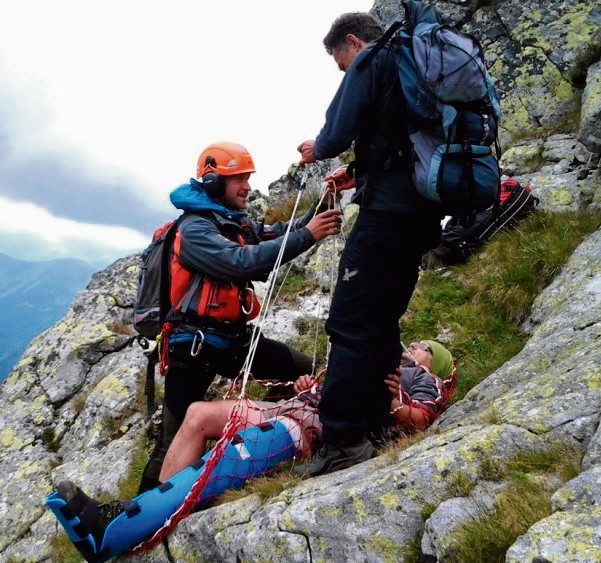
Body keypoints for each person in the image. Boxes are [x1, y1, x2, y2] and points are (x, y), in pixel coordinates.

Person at [48, 341, 454, 563]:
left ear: (431, 362)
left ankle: (116, 529)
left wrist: (396, 406)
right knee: (199, 414)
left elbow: (422, 417)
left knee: (227, 459)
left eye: (423, 348)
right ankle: (147, 508)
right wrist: (304, 387)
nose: (414, 346)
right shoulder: (370, 356)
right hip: (294, 408)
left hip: (308, 427)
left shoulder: (421, 378)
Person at [138, 141, 343, 493]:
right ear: (215, 182)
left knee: (303, 368)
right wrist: (308, 236)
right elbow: (242, 261)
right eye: (238, 179)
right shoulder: (195, 230)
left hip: (233, 340)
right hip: (194, 347)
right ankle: (139, 512)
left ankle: (305, 438)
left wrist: (323, 201)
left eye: (246, 178)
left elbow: (278, 235)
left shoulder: (231, 222)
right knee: (170, 438)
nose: (246, 186)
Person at [294, 12, 444, 476]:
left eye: (341, 63)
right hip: (424, 213)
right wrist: (357, 173)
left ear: (352, 42)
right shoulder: (420, 61)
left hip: (386, 216)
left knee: (350, 321)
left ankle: (342, 439)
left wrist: (316, 149)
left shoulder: (371, 60)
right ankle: (377, 422)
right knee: (381, 319)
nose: (344, 70)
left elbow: (337, 131)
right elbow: (405, 141)